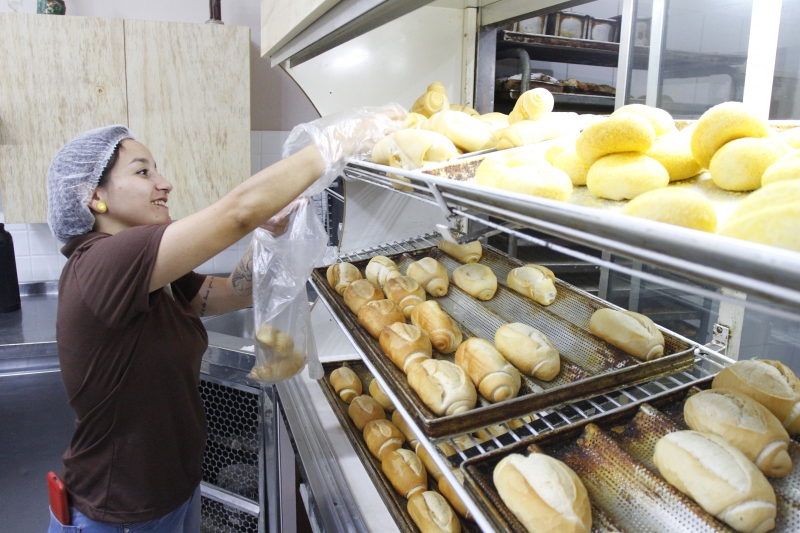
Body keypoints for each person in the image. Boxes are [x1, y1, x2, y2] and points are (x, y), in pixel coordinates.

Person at [45, 107, 402, 533]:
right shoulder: (101, 263)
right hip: (116, 511)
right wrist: (336, 142)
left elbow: (235, 292)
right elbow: (237, 211)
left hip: (173, 492)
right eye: (143, 172)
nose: (164, 183)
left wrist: (266, 235)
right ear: (92, 195)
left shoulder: (153, 276)